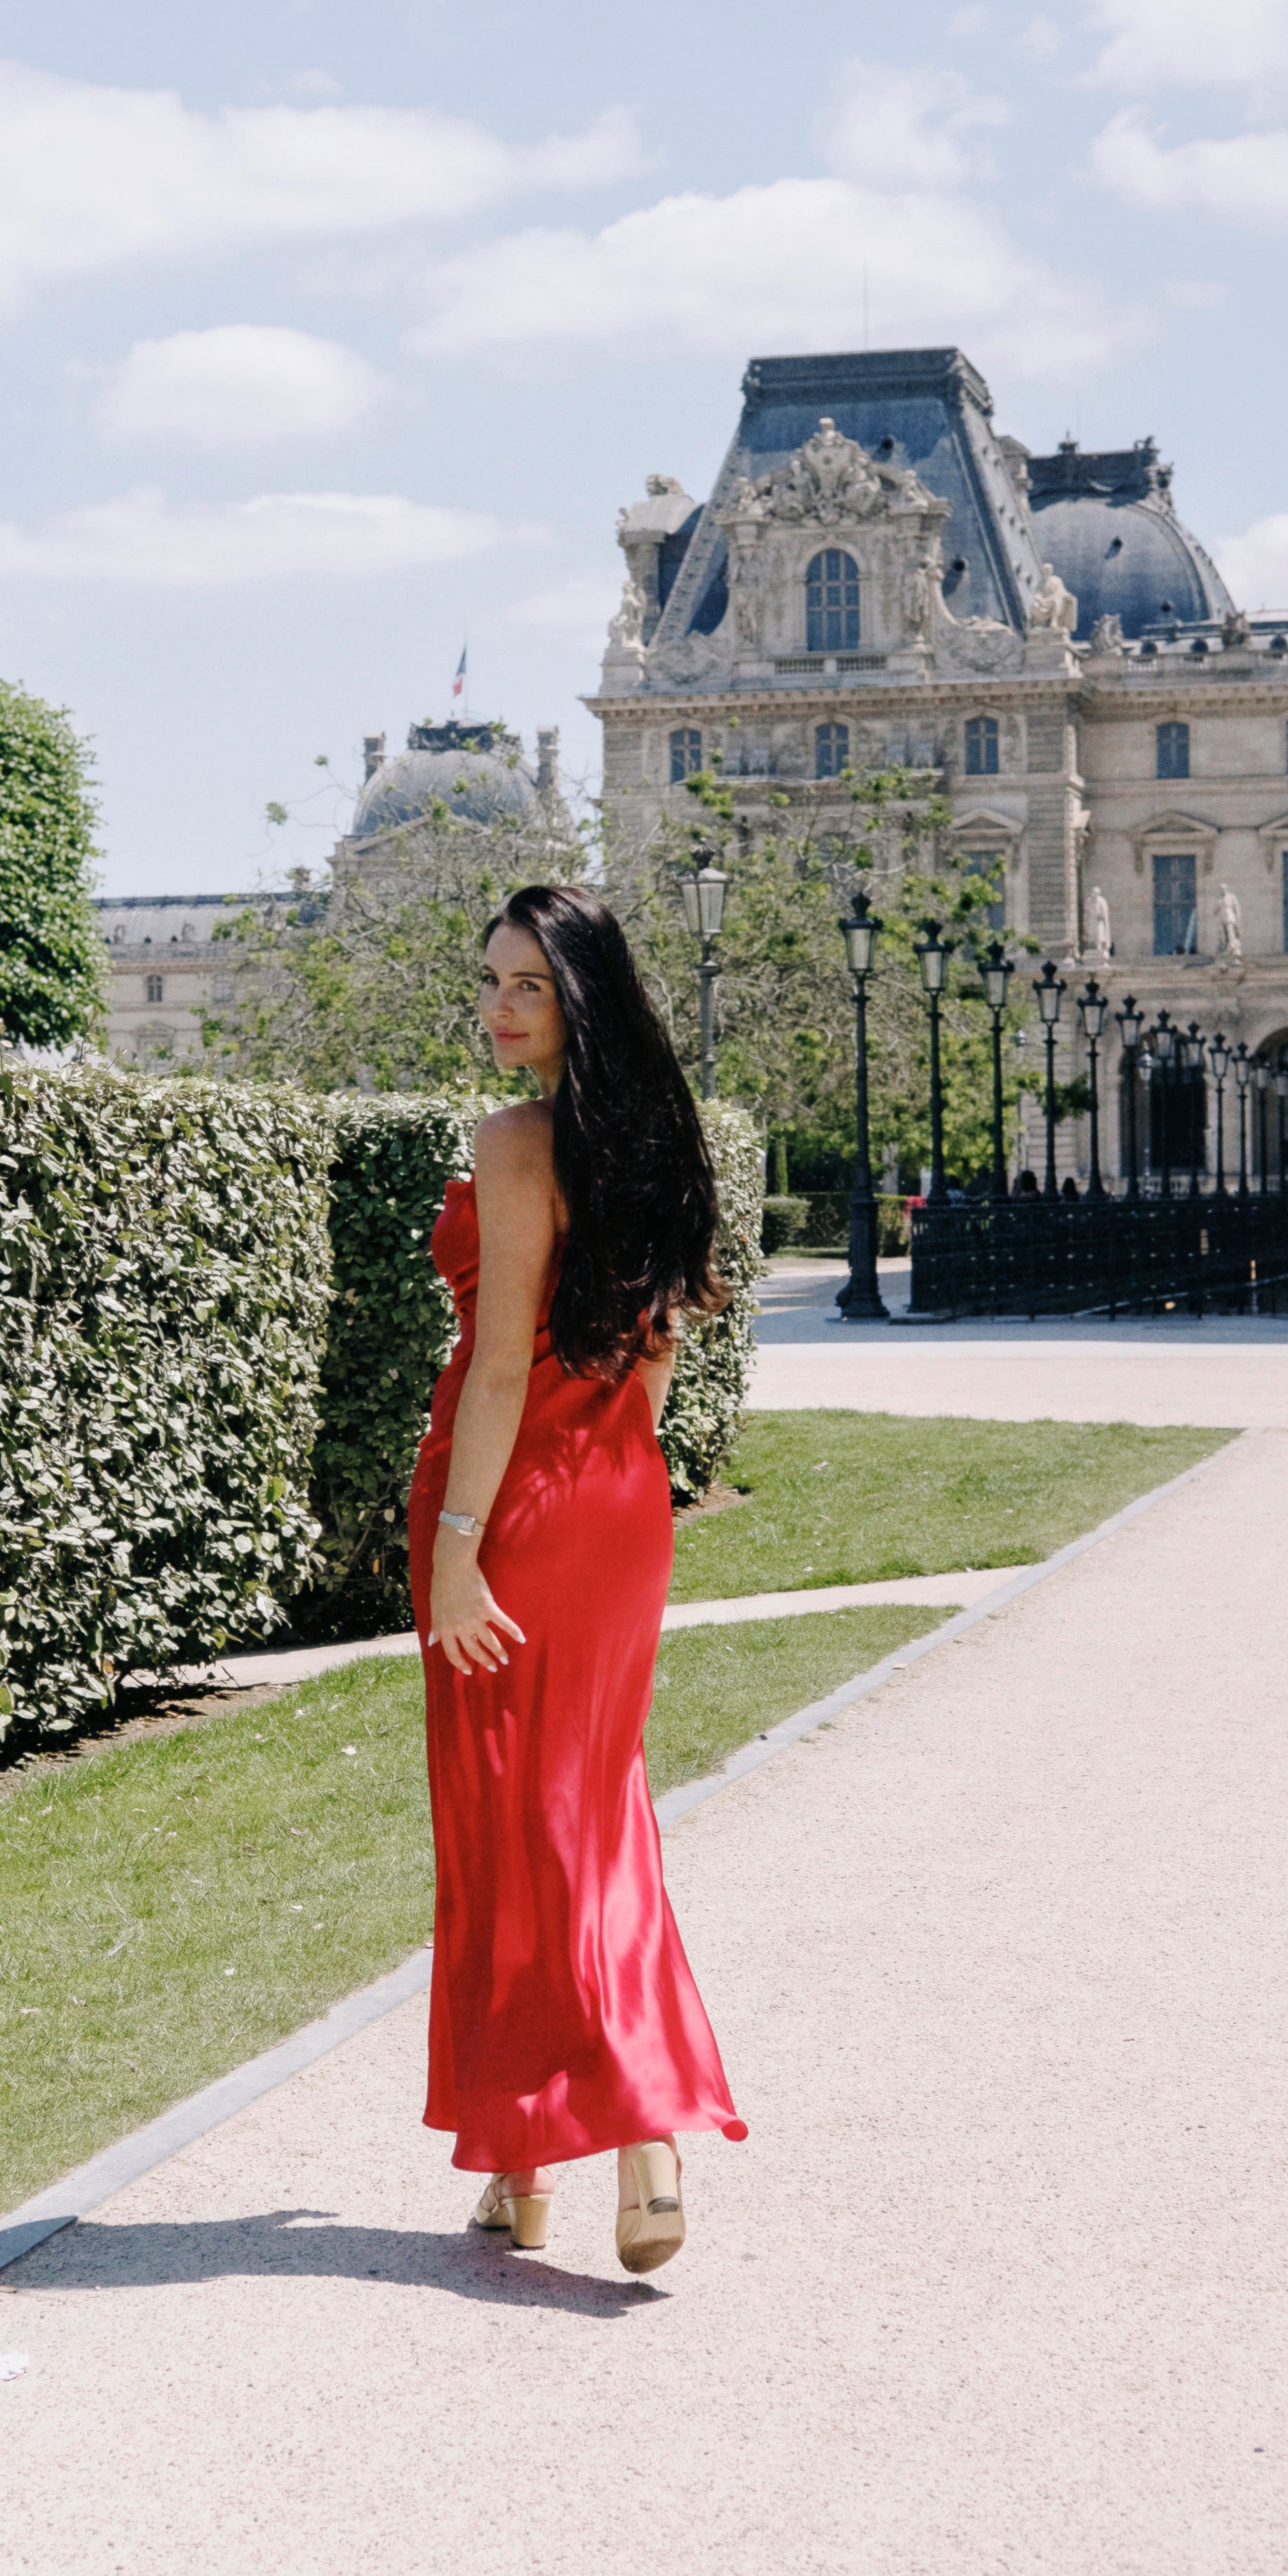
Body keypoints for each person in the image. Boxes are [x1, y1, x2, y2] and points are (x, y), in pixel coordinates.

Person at [407, 884, 748, 2273]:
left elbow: (496, 1364)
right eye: (491, 980)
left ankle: (620, 2133)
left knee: (518, 1831)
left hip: (515, 1509)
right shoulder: (659, 1140)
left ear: (580, 998)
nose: (498, 1007)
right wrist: (604, 1473)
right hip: (616, 1503)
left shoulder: (514, 1139)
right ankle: (530, 2161)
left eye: (528, 985)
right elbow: (659, 1360)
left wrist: (456, 1546)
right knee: (587, 1818)